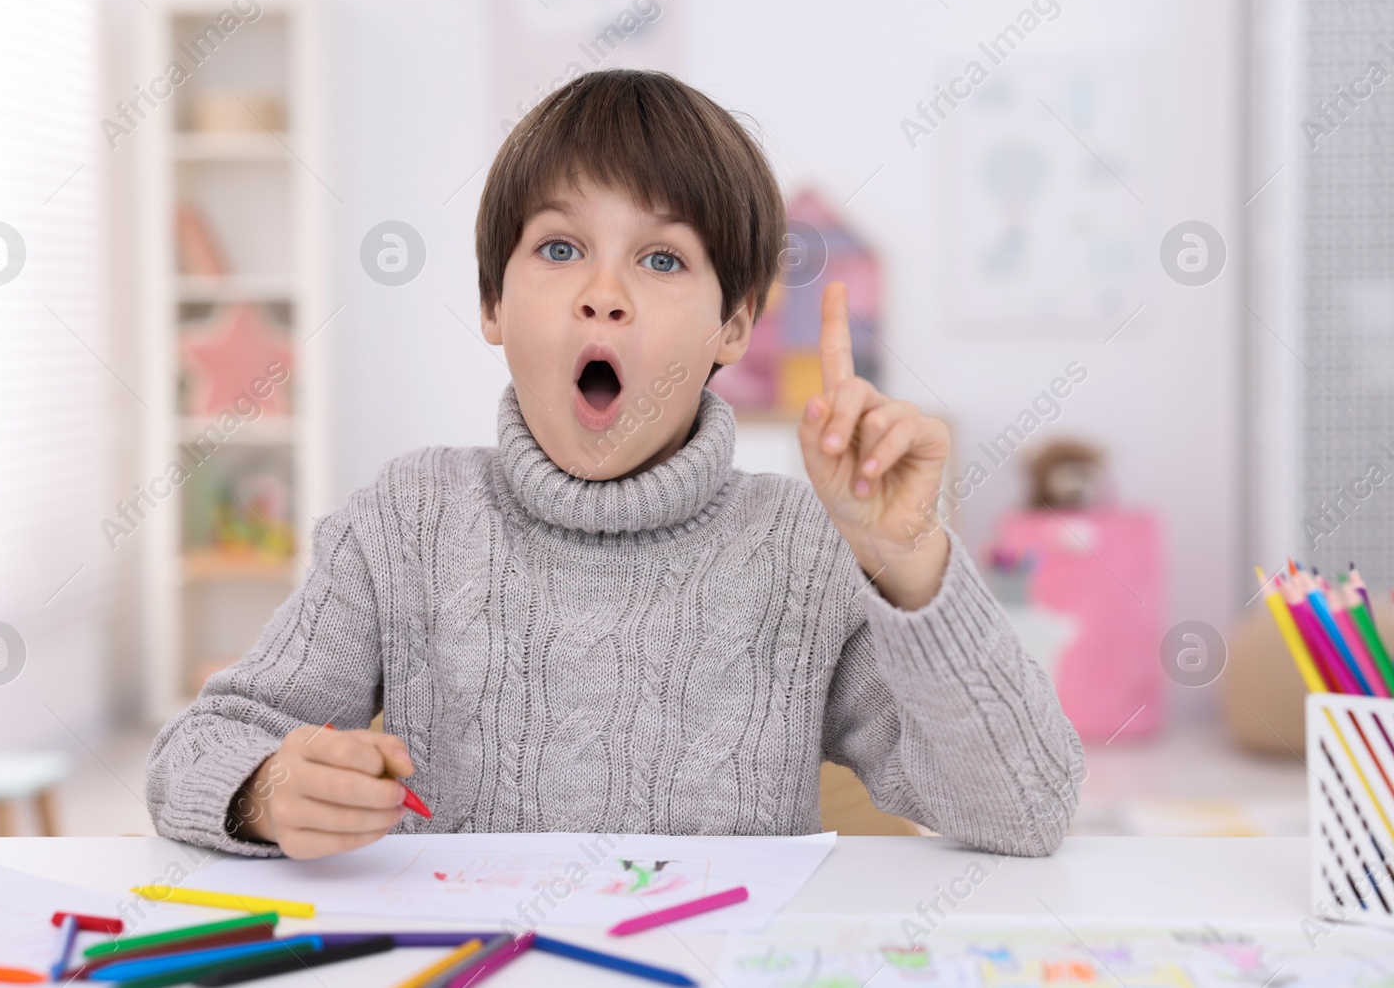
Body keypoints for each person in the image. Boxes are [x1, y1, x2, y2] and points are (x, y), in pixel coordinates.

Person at [147, 68, 1083, 859]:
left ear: (733, 325)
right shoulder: (407, 519)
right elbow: (196, 750)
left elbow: (1027, 809)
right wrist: (266, 791)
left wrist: (910, 560)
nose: (604, 296)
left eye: (663, 259)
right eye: (560, 248)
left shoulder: (801, 547)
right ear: (492, 304)